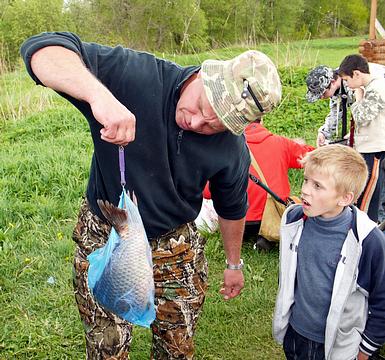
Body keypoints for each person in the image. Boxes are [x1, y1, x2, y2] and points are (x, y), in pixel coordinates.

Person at [20, 32, 281, 359]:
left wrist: (233, 263)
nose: (195, 121)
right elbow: (40, 50)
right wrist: (99, 96)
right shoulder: (136, 75)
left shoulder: (232, 149)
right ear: (204, 73)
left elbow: (232, 207)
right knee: (106, 345)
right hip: (108, 234)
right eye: (201, 106)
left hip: (175, 242)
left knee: (177, 345)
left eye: (214, 125)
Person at [273, 144, 385, 360]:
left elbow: (381, 299)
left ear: (345, 198)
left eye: (317, 186)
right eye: (306, 180)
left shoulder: (368, 241)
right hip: (296, 335)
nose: (305, 190)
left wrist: (365, 351)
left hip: (339, 346)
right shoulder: (293, 220)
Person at [196, 121, 314, 251]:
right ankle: (266, 237)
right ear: (261, 119)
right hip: (273, 214)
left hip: (238, 218)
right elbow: (311, 157)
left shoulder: (224, 148)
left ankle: (242, 237)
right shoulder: (281, 143)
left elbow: (207, 192)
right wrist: (299, 145)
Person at [337, 54, 385, 224]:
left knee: (368, 197)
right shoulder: (371, 86)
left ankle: (365, 229)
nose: (347, 85)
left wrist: (358, 97)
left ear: (356, 74)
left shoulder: (377, 88)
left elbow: (362, 116)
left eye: (346, 80)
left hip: (375, 150)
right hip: (368, 147)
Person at [305, 62, 385, 148]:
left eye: (323, 93)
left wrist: (355, 133)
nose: (321, 97)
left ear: (332, 82)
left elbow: (368, 113)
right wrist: (323, 132)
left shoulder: (352, 80)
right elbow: (336, 111)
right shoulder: (338, 84)